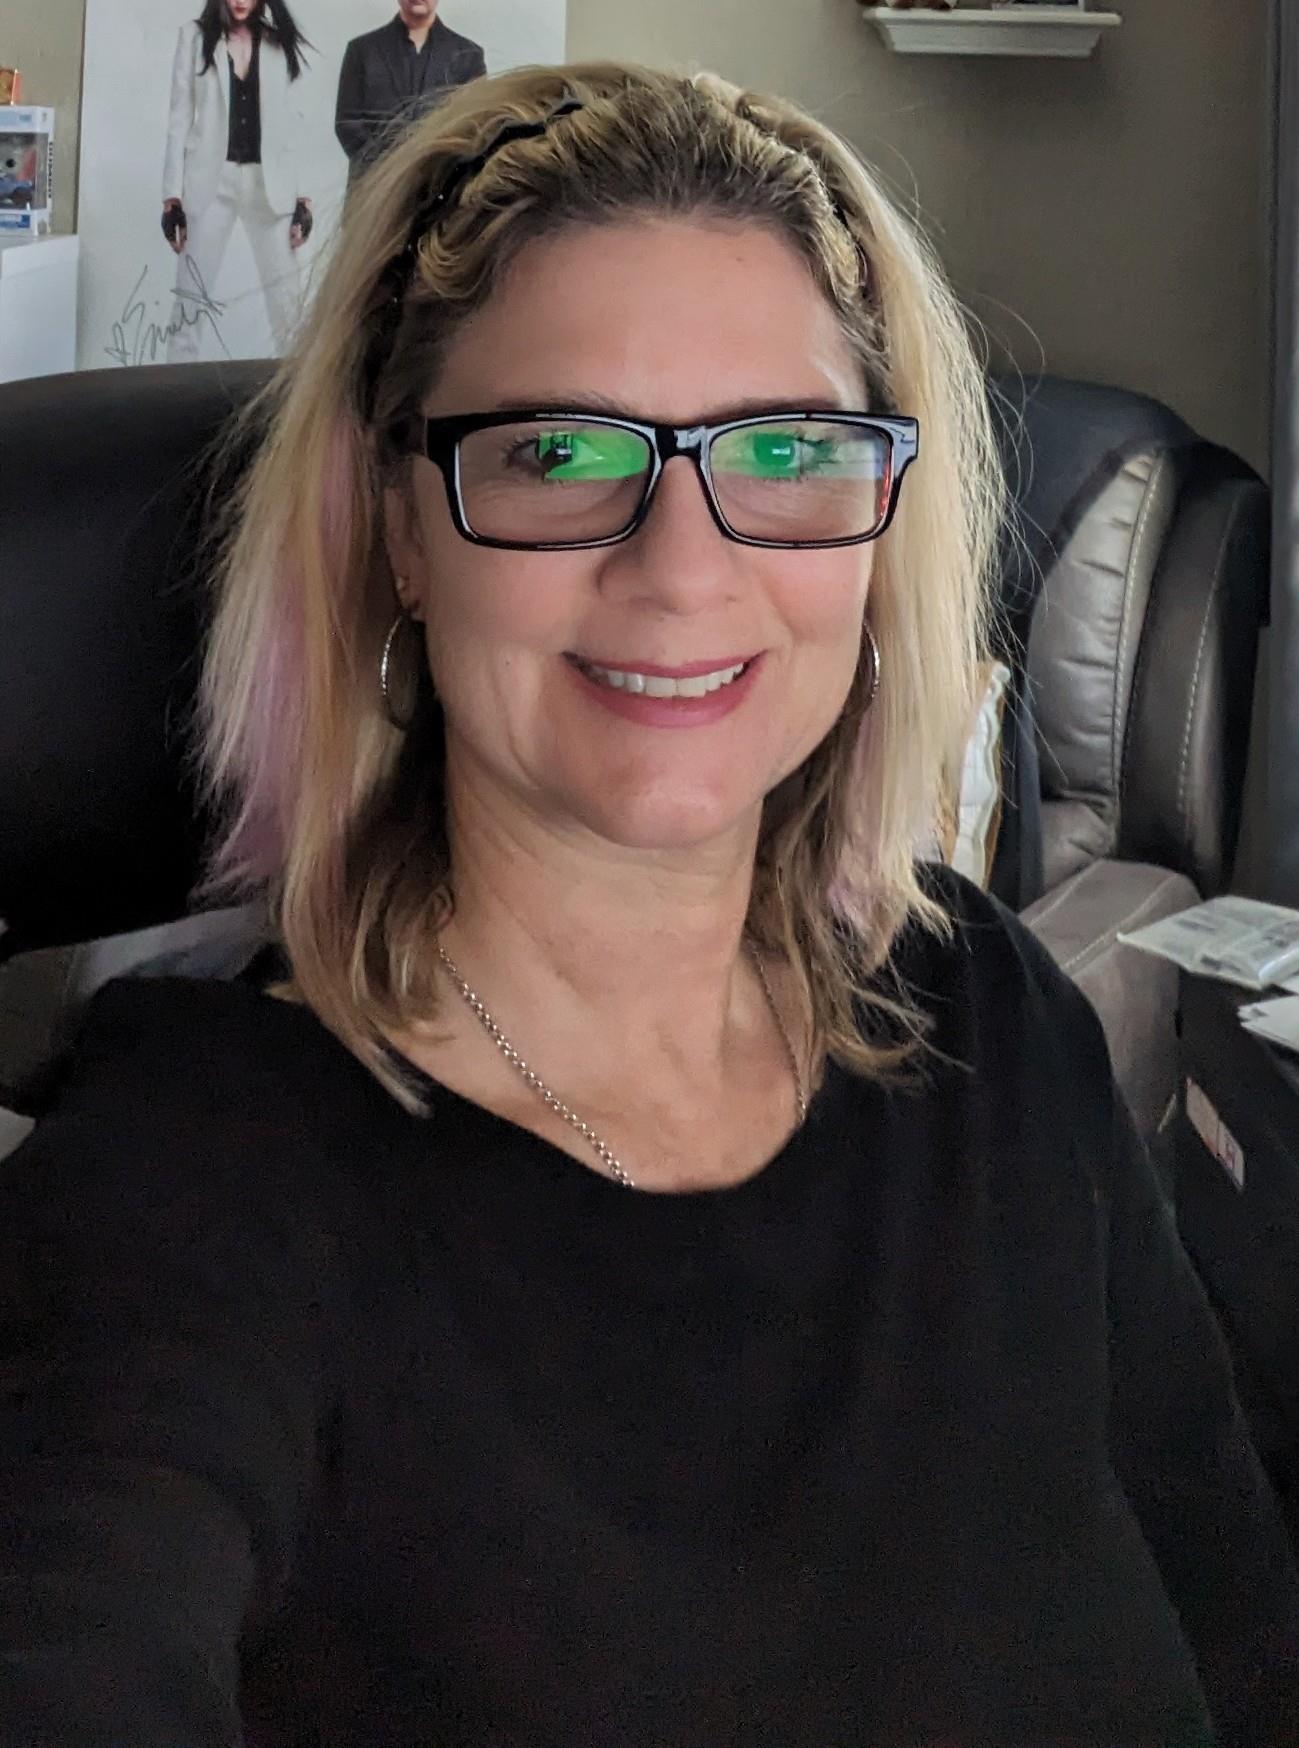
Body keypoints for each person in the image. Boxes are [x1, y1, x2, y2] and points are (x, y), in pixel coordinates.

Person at [2, 59, 1298, 1748]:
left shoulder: (986, 1011)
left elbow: (1240, 1633)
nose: (680, 569)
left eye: (786, 448)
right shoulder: (197, 1168)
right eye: (555, 450)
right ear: (402, 532)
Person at [162, 0, 314, 363]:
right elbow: (179, 117)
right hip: (211, 183)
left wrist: (303, 198)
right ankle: (173, 390)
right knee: (190, 303)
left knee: (288, 307)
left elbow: (293, 120)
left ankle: (296, 393)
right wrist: (172, 197)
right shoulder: (194, 37)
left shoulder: (277, 42)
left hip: (270, 184)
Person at [335, 0, 486, 181]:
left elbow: (476, 125)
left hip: (440, 185)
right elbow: (348, 123)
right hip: (374, 186)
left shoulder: (469, 55)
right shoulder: (362, 50)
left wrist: (436, 168)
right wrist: (390, 167)